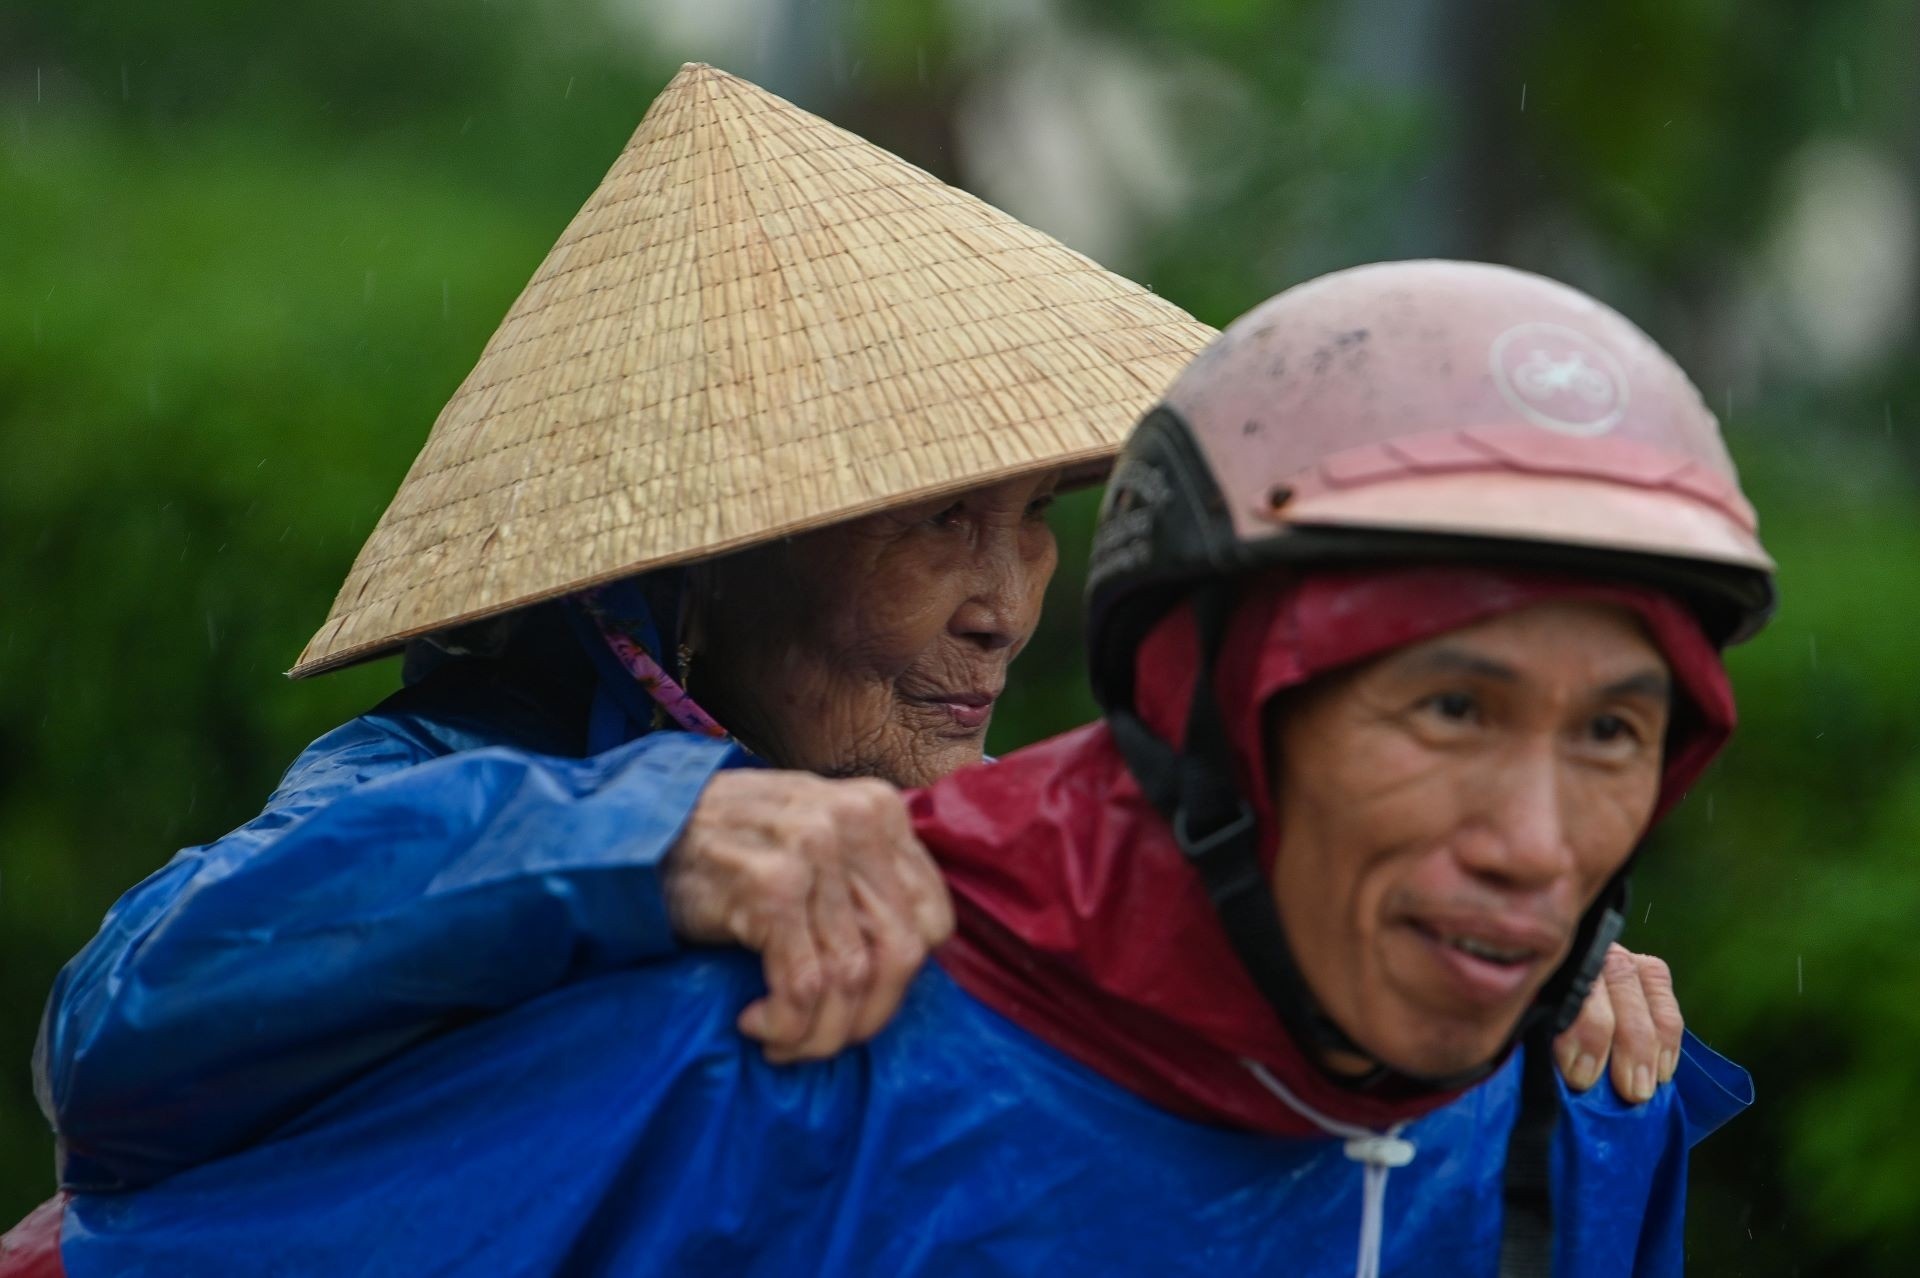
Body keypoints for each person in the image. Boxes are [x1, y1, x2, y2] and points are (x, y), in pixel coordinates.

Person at [30, 260, 1774, 1278]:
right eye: (940, 517)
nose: (1007, 604)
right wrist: (655, 827)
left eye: (1034, 521)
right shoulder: (448, 773)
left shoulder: (979, 875)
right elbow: (123, 1026)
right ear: (712, 556)